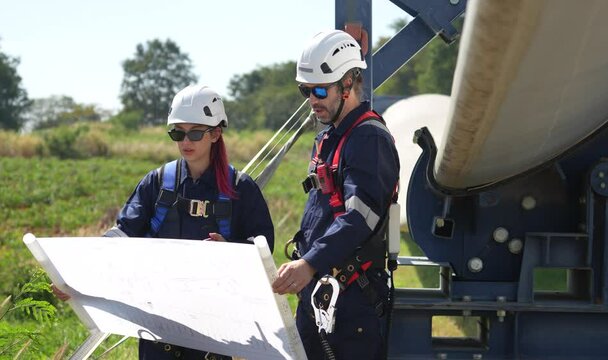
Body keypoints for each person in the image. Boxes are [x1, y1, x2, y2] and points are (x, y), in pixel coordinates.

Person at [54, 84, 275, 360]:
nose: (185, 141)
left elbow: (262, 250)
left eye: (195, 132)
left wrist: (230, 250)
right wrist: (77, 275)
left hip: (215, 332)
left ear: (216, 134)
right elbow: (121, 237)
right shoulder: (157, 182)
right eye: (177, 133)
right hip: (158, 330)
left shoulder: (241, 188)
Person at [271, 30, 400, 360]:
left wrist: (310, 263)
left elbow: (360, 217)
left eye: (319, 90)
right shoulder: (330, 138)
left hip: (352, 301)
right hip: (321, 294)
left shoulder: (368, 139)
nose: (312, 99)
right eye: (305, 90)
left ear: (347, 84)